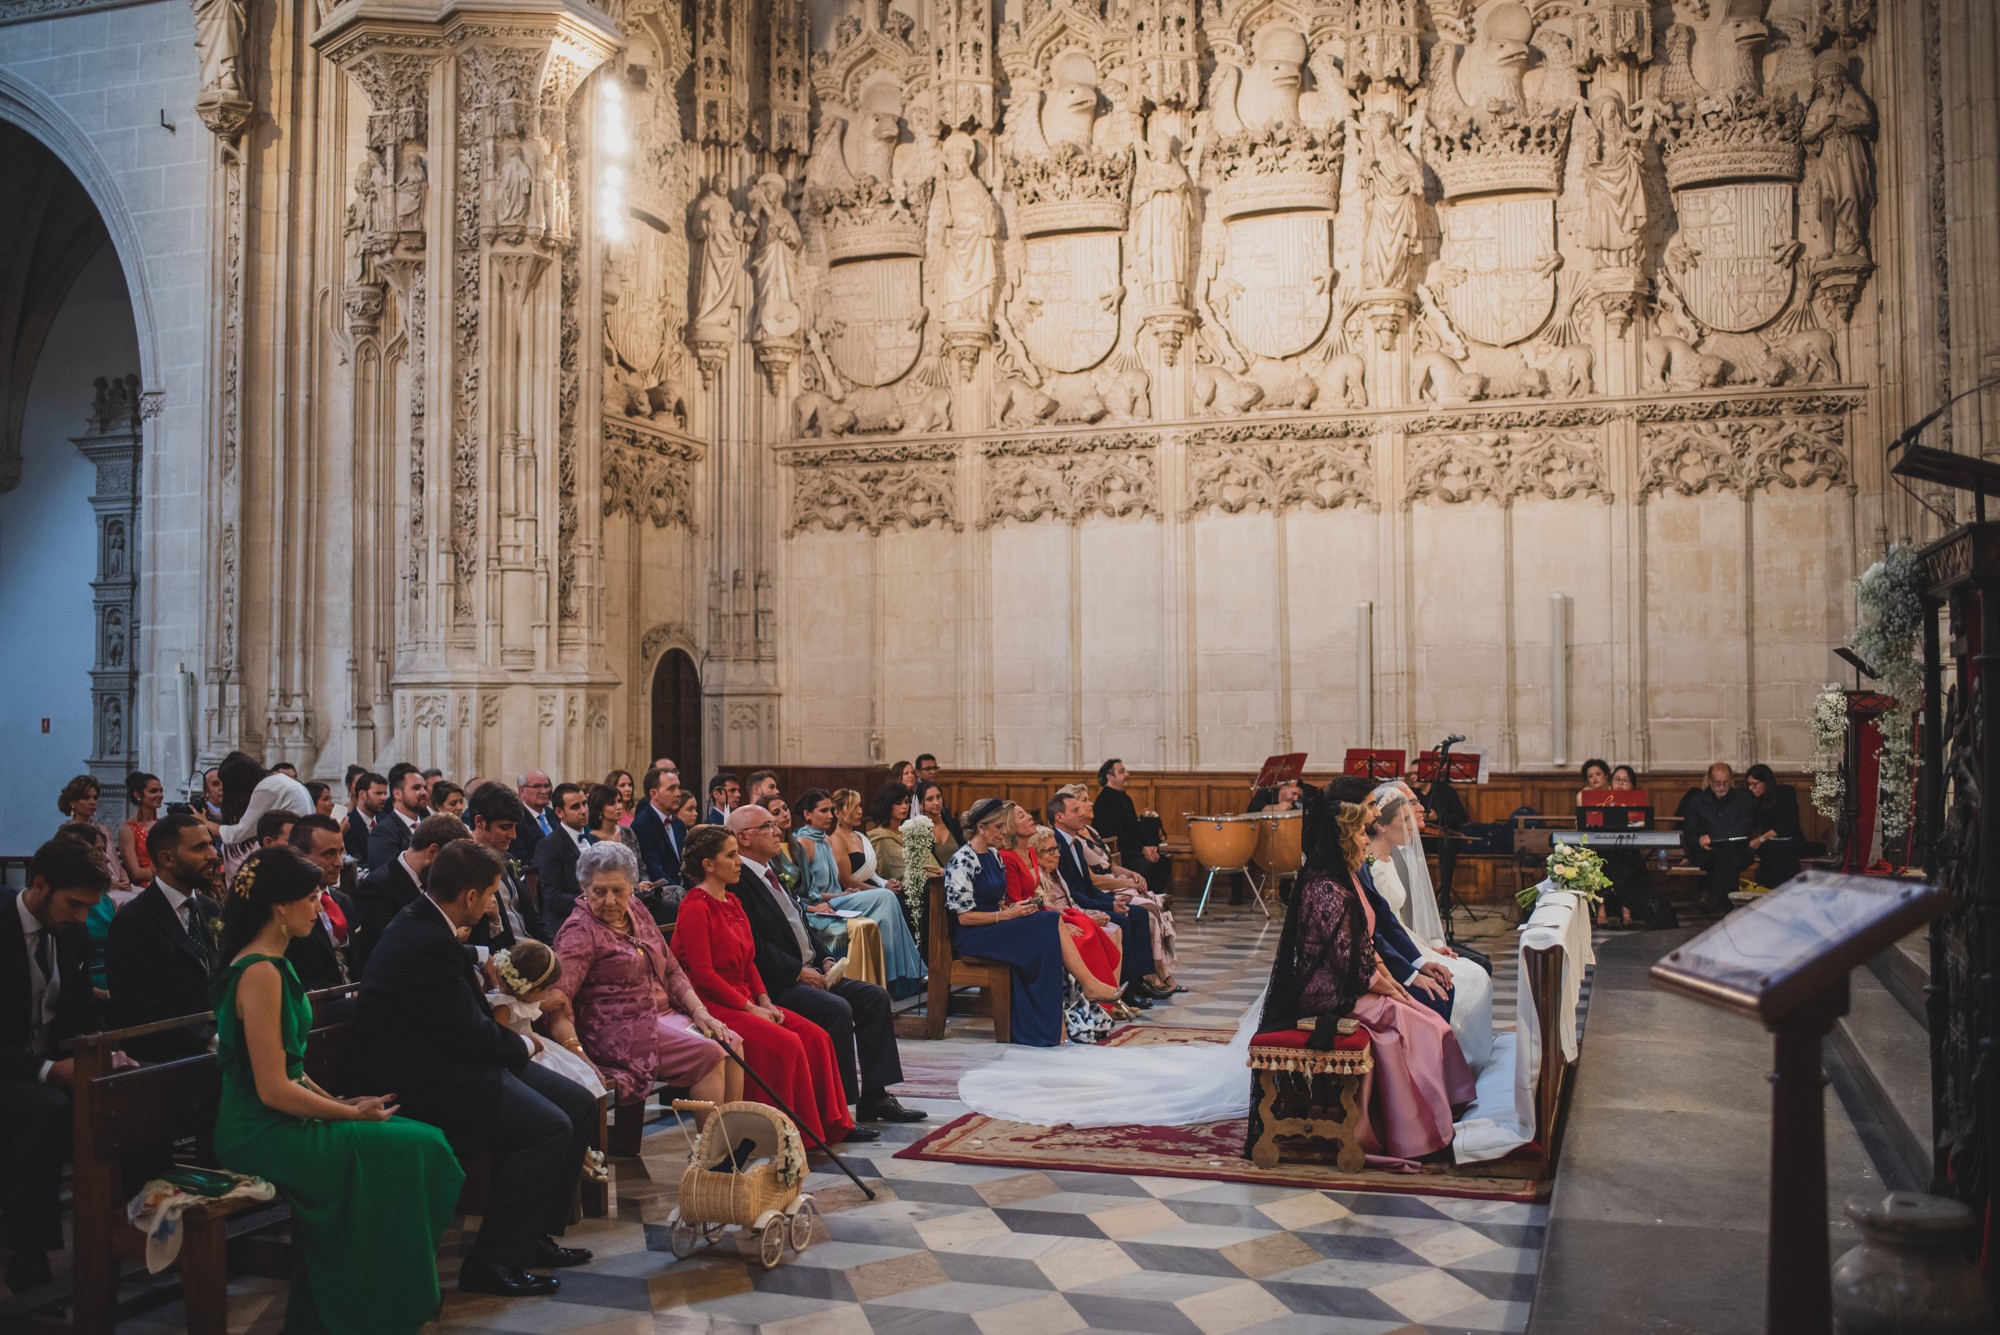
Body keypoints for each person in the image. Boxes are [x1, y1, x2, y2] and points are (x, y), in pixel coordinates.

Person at [211, 846, 462, 1332]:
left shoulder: (274, 965)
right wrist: (349, 1116)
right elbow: (271, 1089)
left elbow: (291, 1067)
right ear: (279, 906)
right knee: (418, 1147)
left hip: (283, 1118)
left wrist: (337, 1101)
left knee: (419, 1137)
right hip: (259, 1132)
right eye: (312, 896)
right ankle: (370, 1308)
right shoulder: (259, 973)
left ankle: (373, 1300)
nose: (320, 905)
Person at [358, 840, 597, 1298]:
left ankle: (530, 1237)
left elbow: (463, 1023)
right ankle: (492, 1261)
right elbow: (466, 1033)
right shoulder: (425, 939)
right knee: (547, 1128)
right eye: (490, 894)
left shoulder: (429, 924)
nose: (492, 904)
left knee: (579, 1103)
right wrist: (525, 1044)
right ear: (469, 896)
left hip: (457, 1058)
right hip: (429, 1077)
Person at [1256, 783, 1476, 1162]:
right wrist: (1392, 991)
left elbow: (1368, 945)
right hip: (1331, 995)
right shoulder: (1325, 888)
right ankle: (1414, 1133)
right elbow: (1349, 961)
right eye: (1360, 832)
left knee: (1428, 1022)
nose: (1366, 837)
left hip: (1355, 984)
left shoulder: (1345, 878)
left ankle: (1445, 1113)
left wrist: (1394, 984)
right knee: (1416, 1028)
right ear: (1343, 836)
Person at [725, 807, 925, 1126]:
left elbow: (800, 923)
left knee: (874, 998)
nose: (778, 832)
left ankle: (875, 1096)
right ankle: (838, 1112)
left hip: (809, 971)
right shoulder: (737, 880)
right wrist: (796, 971)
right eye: (768, 826)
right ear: (743, 837)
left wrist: (824, 958)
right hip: (777, 983)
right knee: (836, 1009)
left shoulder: (770, 870)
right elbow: (754, 945)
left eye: (776, 826)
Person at [671, 826, 862, 1144]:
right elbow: (704, 975)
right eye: (731, 856)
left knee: (816, 1036)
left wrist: (764, 999)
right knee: (787, 1044)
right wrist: (749, 1008)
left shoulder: (732, 901)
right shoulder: (695, 907)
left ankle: (825, 1126)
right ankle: (784, 1135)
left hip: (744, 996)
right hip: (713, 1004)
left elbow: (749, 961)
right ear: (708, 864)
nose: (739, 863)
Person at [546, 841, 741, 1126]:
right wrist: (578, 1055)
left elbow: (672, 968)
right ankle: (711, 1155)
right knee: (709, 1053)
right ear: (584, 890)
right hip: (616, 1029)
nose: (610, 900)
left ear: (632, 887)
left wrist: (700, 1011)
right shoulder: (579, 931)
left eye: (618, 891)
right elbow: (558, 1000)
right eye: (599, 892)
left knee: (731, 1041)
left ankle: (731, 1145)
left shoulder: (636, 909)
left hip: (660, 1017)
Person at [1, 836, 113, 1293]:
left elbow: (81, 1015)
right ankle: (30, 1257)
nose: (82, 917)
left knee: (124, 1090)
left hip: (45, 1066)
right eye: (74, 904)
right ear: (40, 885)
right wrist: (48, 1071)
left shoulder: (72, 932)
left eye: (89, 907)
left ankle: (126, 1235)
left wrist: (105, 1052)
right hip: (13, 1070)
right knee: (46, 1108)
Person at [945, 800, 1126, 1047]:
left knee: (1047, 931)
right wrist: (1008, 915)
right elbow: (964, 917)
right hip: (975, 935)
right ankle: (1088, 986)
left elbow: (999, 902)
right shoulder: (962, 860)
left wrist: (1017, 910)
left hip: (998, 925)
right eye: (998, 827)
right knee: (1049, 923)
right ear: (980, 828)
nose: (1003, 832)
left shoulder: (995, 855)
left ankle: (1055, 1026)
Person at [1367, 787, 1493, 1067]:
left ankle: (1463, 1059)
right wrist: (1418, 961)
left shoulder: (1387, 859)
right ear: (1382, 825)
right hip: (1394, 951)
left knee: (1475, 973)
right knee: (1468, 980)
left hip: (1408, 941)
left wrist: (1429, 948)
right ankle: (1456, 1062)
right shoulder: (1372, 866)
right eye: (1405, 820)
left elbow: (1396, 921)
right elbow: (1383, 928)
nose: (1413, 827)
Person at [108, 812, 225, 1060]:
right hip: (166, 1052)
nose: (213, 855)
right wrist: (217, 1042)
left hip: (215, 1038)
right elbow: (144, 1010)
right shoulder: (134, 921)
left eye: (211, 845)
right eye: (200, 848)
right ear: (167, 858)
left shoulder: (210, 910)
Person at [796, 789, 926, 998]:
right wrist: (836, 896)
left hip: (838, 897)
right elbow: (806, 892)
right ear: (807, 814)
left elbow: (837, 882)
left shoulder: (825, 840)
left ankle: (900, 975)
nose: (829, 815)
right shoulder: (803, 842)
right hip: (822, 905)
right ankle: (900, 974)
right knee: (885, 897)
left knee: (888, 904)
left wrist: (843, 892)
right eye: (823, 811)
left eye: (831, 810)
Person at [1001, 808, 1127, 1013]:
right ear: (1009, 826)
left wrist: (1052, 910)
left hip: (1038, 912)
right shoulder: (1007, 857)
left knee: (1086, 924)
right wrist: (1054, 919)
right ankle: (1094, 995)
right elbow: (1016, 902)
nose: (1030, 817)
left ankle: (1105, 1000)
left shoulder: (1030, 852)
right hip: (1022, 919)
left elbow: (1036, 895)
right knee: (1081, 934)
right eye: (1022, 816)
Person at [1049, 789, 1166, 1008]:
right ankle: (1127, 988)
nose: (1081, 814)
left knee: (1139, 913)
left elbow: (1088, 885)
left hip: (1089, 898)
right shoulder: (1056, 844)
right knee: (1124, 920)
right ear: (1059, 817)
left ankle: (1140, 980)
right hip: (1077, 906)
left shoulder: (1075, 841)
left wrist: (1110, 903)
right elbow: (1073, 893)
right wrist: (1108, 905)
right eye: (1075, 810)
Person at [486, 940, 609, 1101]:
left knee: (581, 1073)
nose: (548, 994)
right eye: (548, 989)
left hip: (536, 1046)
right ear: (533, 990)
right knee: (570, 1083)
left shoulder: (521, 998)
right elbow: (498, 1040)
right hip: (524, 1053)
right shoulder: (504, 1007)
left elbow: (528, 1004)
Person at [349, 813, 465, 978]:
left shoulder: (432, 881)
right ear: (432, 852)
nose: (454, 874)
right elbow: (387, 953)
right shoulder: (376, 889)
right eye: (452, 864)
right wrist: (452, 935)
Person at [465, 784, 544, 949]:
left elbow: (532, 916)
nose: (513, 835)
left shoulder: (507, 858)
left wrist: (552, 947)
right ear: (479, 821)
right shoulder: (465, 865)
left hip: (533, 948)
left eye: (515, 827)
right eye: (505, 827)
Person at [284, 815, 355, 990]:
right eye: (329, 854)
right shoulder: (288, 909)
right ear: (299, 855)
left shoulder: (344, 901)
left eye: (341, 852)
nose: (339, 862)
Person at [217, 752, 315, 873]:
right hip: (303, 846)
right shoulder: (275, 779)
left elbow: (240, 833)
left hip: (293, 852)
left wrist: (206, 824)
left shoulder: (266, 787)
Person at [1680, 762, 1755, 913]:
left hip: (1737, 850)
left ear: (1731, 780)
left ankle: (1716, 896)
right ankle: (1726, 903)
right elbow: (1690, 833)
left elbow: (1743, 828)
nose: (1721, 786)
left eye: (1725, 782)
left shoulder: (1743, 799)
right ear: (1709, 780)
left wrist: (1713, 838)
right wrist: (1701, 842)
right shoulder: (1697, 801)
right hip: (1706, 853)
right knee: (1726, 855)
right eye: (1717, 783)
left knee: (1727, 850)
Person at [1578, 759, 1642, 928]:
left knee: (1627, 859)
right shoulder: (1592, 796)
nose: (1620, 784)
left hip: (1627, 845)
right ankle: (1603, 907)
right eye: (1617, 780)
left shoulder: (1626, 796)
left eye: (1625, 780)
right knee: (1601, 860)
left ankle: (1625, 908)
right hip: (1600, 844)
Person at [1093, 760, 1171, 899]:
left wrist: (1147, 847)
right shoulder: (1105, 801)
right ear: (1109, 777)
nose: (1127, 774)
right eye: (1122, 772)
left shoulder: (1125, 798)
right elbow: (1115, 835)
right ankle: (1145, 899)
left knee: (1163, 861)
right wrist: (1142, 850)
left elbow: (1135, 829)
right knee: (1146, 866)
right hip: (1118, 853)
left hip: (1132, 850)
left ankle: (1156, 900)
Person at [533, 783, 590, 931]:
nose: (584, 811)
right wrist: (591, 899)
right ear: (559, 812)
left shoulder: (593, 839)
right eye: (575, 807)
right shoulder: (549, 846)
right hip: (568, 923)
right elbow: (553, 898)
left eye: (584, 803)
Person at [1745, 763, 1804, 888]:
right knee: (1772, 849)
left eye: (1754, 784)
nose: (1751, 788)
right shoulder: (1752, 799)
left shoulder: (1786, 793)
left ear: (1766, 782)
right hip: (1768, 844)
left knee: (1783, 848)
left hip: (1790, 839)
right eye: (1749, 784)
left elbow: (1787, 824)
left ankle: (1786, 890)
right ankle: (1771, 891)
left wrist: (1761, 839)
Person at [628, 766, 686, 890]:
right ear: (654, 794)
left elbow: (686, 864)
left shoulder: (679, 824)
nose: (678, 793)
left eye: (678, 787)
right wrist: (681, 893)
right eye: (671, 789)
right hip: (662, 896)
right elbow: (655, 871)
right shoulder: (642, 825)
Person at [367, 763, 430, 871]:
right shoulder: (383, 832)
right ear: (397, 794)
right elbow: (391, 874)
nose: (424, 792)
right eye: (416, 788)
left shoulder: (429, 826)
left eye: (425, 787)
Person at [863, 783, 914, 890]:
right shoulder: (879, 837)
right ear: (887, 804)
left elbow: (928, 862)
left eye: (906, 802)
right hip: (897, 889)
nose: (904, 806)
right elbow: (899, 870)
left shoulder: (910, 831)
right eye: (898, 803)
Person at [119, 770, 162, 886]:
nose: (160, 795)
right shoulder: (127, 829)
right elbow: (136, 874)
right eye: (153, 791)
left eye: (161, 790)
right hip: (145, 887)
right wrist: (169, 874)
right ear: (137, 795)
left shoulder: (163, 824)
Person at [915, 755, 965, 844]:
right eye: (930, 799)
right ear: (919, 804)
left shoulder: (954, 825)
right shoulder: (916, 831)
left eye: (938, 797)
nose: (937, 802)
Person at [509, 772, 556, 864]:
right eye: (537, 786)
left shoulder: (554, 814)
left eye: (546, 786)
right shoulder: (516, 819)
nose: (544, 791)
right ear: (522, 791)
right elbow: (521, 859)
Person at [344, 771, 388, 864]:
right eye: (378, 793)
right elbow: (356, 860)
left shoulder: (387, 820)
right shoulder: (348, 824)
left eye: (385, 793)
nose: (384, 798)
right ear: (362, 794)